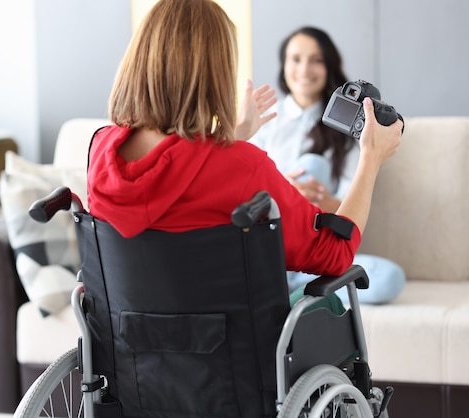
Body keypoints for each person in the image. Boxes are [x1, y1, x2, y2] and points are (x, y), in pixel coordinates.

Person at [86, 0, 402, 311]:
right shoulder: (244, 164)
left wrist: (229, 139)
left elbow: (174, 178)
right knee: (330, 303)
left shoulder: (102, 150)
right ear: (216, 73)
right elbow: (334, 256)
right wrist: (371, 158)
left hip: (132, 348)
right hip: (227, 351)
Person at [248, 26, 405, 304]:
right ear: (284, 65)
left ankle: (292, 282)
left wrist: (322, 200)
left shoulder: (351, 125)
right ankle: (293, 280)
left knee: (388, 277)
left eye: (316, 60)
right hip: (273, 235)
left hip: (319, 238)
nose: (304, 69)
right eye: (295, 59)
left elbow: (350, 202)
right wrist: (286, 191)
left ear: (329, 66)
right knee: (310, 165)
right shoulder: (263, 119)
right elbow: (247, 188)